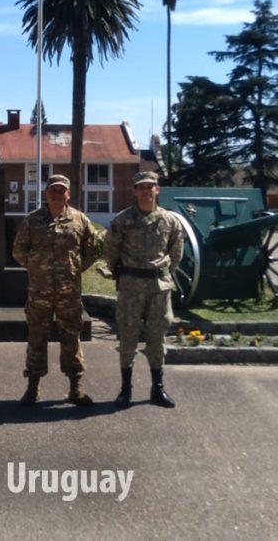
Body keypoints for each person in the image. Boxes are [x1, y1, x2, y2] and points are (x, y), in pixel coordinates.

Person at [12, 174, 99, 406]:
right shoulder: (32, 221)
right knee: (36, 337)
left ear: (68, 194)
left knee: (71, 338)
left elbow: (93, 248)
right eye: (53, 190)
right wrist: (36, 267)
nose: (57, 194)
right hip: (39, 292)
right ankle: (33, 387)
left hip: (69, 293)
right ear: (46, 193)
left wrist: (76, 268)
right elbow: (18, 250)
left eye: (61, 191)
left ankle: (75, 387)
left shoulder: (79, 220)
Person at [103, 171, 184, 408]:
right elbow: (110, 250)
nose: (146, 191)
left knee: (156, 338)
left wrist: (163, 274)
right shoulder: (123, 220)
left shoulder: (170, 220)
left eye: (150, 186)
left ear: (157, 189)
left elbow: (176, 252)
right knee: (127, 338)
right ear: (135, 191)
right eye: (141, 187)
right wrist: (120, 272)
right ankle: (125, 389)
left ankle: (157, 388)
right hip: (130, 287)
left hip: (159, 289)